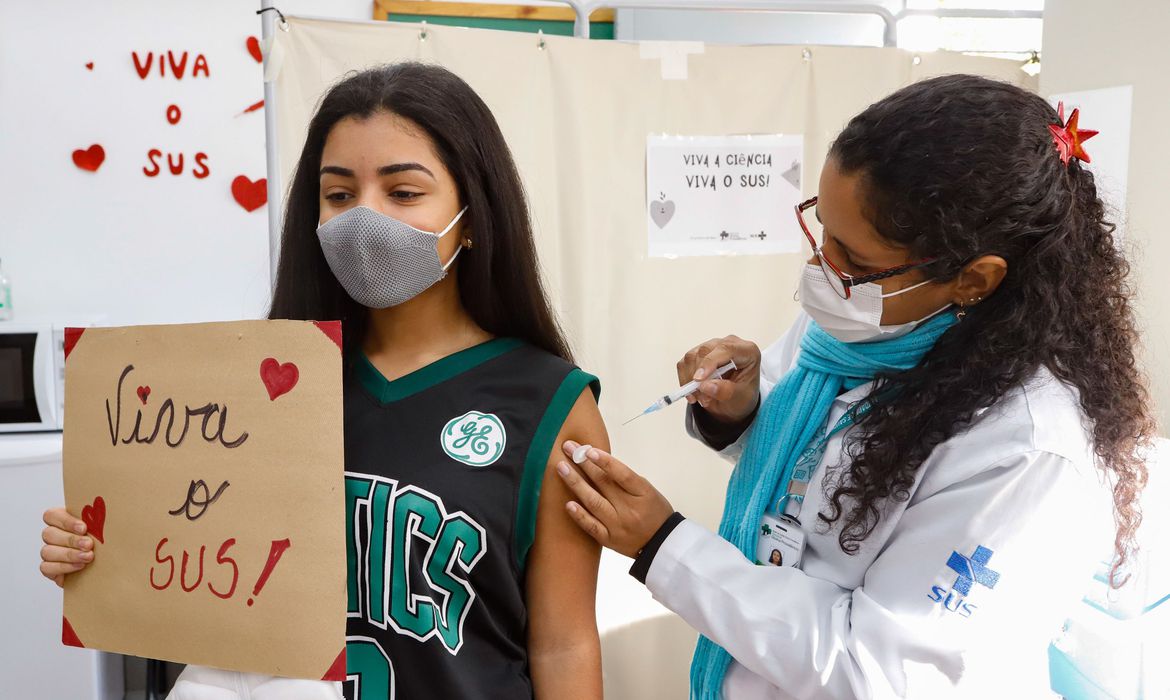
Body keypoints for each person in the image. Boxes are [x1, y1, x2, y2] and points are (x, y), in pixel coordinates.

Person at [553, 75, 1153, 698]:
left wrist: (663, 546)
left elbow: (875, 672)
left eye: (855, 262)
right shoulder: (859, 324)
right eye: (823, 233)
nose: (821, 273)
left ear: (973, 279)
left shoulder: (1025, 451)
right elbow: (816, 469)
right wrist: (744, 412)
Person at [40, 63, 607, 700]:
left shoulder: (552, 404)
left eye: (403, 192)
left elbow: (564, 644)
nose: (363, 217)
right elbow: (194, 574)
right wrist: (99, 555)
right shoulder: (259, 390)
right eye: (338, 195)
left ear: (473, 214)